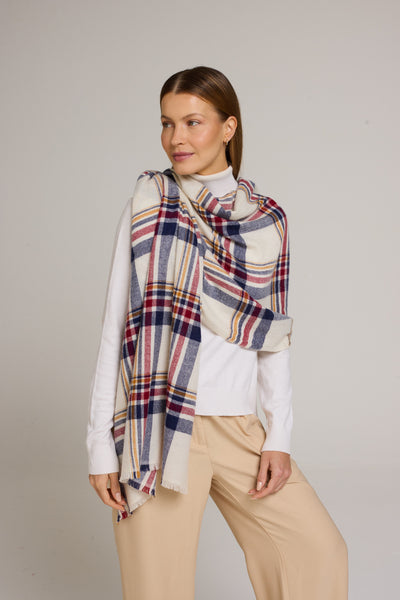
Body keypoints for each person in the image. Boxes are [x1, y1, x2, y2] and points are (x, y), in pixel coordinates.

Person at [87, 66, 348, 600]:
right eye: (167, 123)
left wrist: (278, 436)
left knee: (318, 552)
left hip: (237, 426)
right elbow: (115, 330)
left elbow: (271, 335)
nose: (176, 138)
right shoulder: (148, 205)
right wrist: (99, 448)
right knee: (158, 589)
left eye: (192, 122)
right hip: (157, 426)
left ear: (228, 128)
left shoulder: (266, 223)